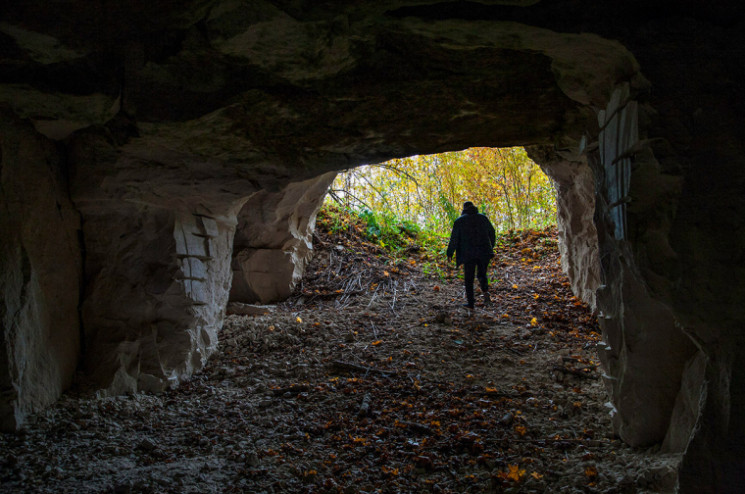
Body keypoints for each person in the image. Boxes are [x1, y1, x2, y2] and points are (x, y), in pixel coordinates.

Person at [446, 201, 496, 308]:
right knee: (482, 274)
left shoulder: (459, 221)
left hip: (468, 254)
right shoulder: (483, 218)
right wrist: (490, 246)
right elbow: (492, 232)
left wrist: (450, 253)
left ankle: (471, 302)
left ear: (464, 209)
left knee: (469, 278)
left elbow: (454, 239)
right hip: (484, 252)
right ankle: (486, 295)